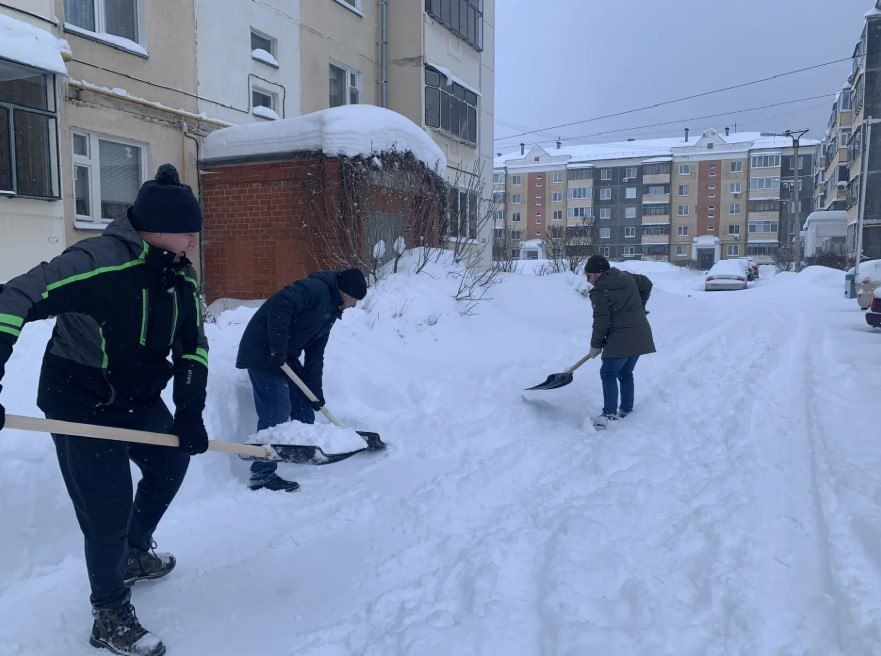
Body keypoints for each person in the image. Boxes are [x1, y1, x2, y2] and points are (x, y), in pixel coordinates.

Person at [0, 164, 209, 656]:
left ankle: (135, 551)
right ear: (154, 228)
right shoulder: (97, 261)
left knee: (171, 461)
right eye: (187, 231)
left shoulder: (178, 272)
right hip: (80, 399)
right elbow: (13, 298)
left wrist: (190, 409)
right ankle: (110, 612)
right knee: (108, 506)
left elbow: (193, 344)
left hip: (135, 396)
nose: (194, 241)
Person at [236, 268, 367, 492]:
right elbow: (281, 304)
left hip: (283, 355)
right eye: (354, 299)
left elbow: (316, 354)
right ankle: (261, 475)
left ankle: (301, 450)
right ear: (345, 292)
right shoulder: (315, 289)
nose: (354, 305)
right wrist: (277, 347)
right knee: (277, 408)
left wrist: (315, 392)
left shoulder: (331, 311)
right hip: (261, 351)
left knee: (304, 405)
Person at [584, 255, 655, 429]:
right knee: (625, 373)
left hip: (620, 338)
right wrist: (639, 308)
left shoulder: (599, 291)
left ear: (598, 273)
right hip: (639, 334)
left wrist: (596, 345)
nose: (587, 280)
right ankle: (626, 409)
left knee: (608, 373)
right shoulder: (626, 276)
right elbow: (647, 284)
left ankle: (609, 414)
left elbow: (601, 321)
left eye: (588, 275)